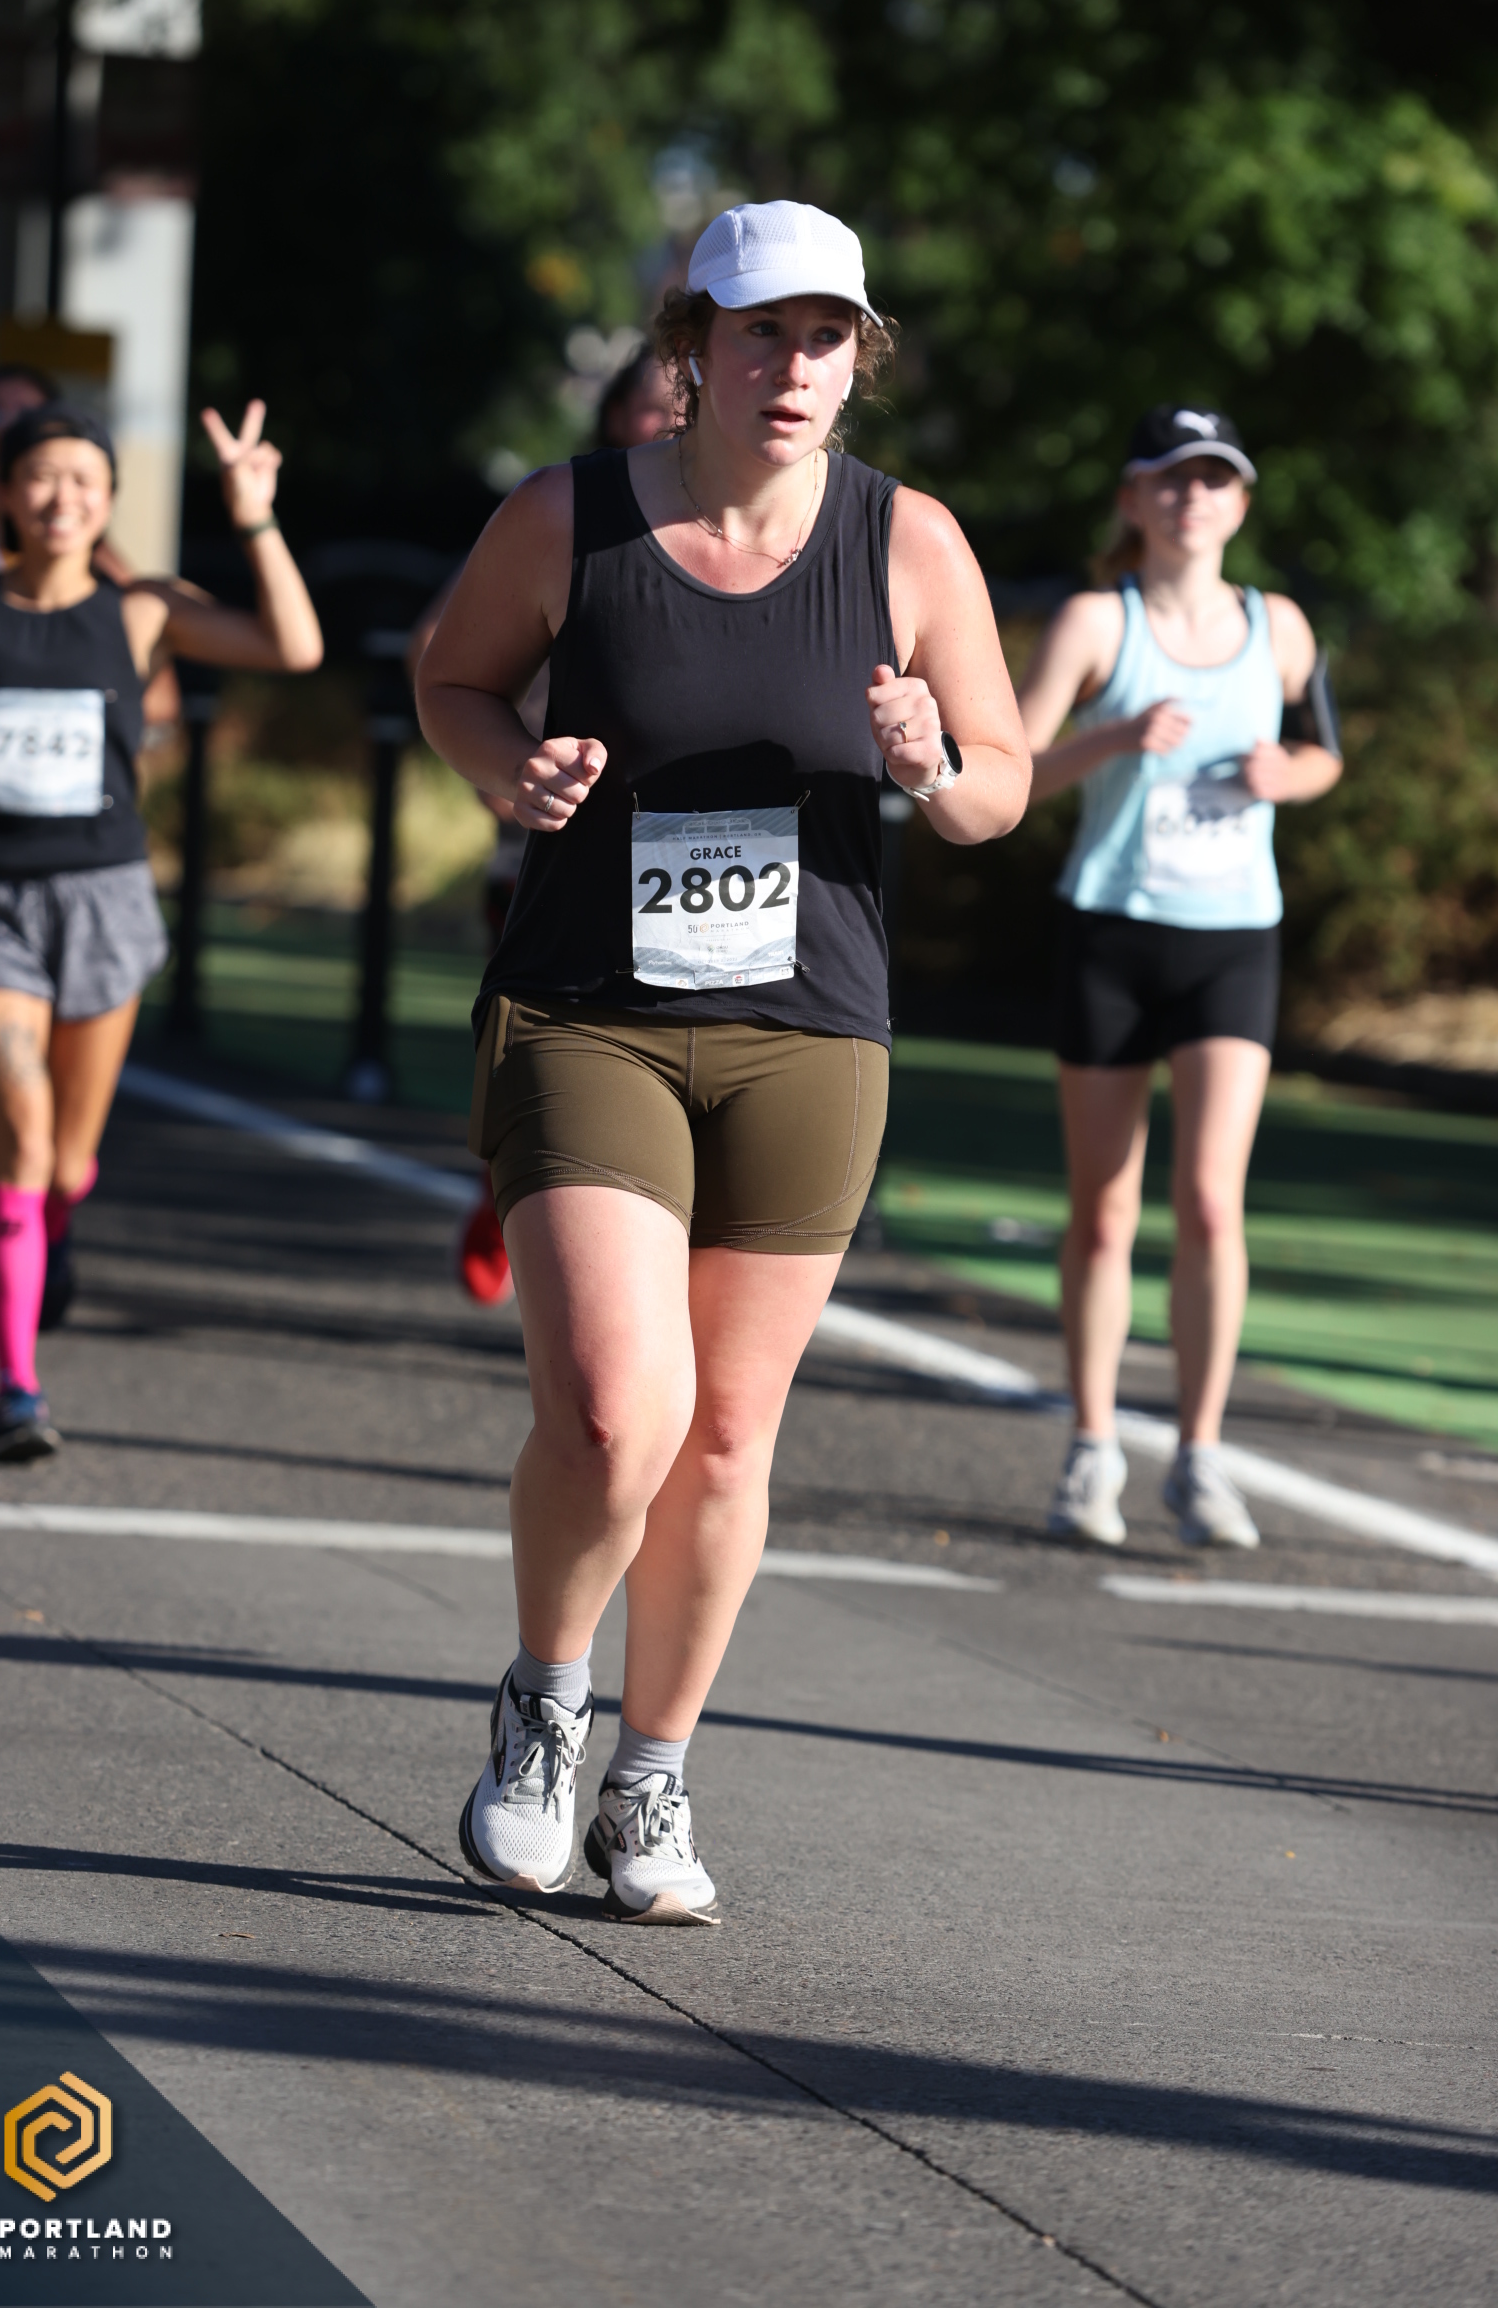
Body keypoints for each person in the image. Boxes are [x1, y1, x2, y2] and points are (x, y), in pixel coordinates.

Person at [417, 199, 1029, 1922]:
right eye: (762, 332)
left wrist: (932, 759)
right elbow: (453, 682)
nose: (794, 366)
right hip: (589, 1012)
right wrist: (509, 770)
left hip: (808, 1031)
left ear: (859, 360)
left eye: (826, 337)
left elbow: (1000, 788)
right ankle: (546, 1703)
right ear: (692, 349)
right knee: (621, 1410)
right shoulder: (572, 518)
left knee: (730, 1435)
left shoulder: (911, 542)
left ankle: (653, 1776)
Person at [0, 397, 322, 1459]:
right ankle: (17, 1390)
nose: (63, 497)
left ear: (108, 501)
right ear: (5, 493)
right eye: (42, 477)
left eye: (85, 480)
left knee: (67, 1162)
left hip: (105, 902)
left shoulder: (141, 610)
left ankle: (49, 1222)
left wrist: (254, 514)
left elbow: (294, 645)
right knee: (23, 1134)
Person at [1016, 405, 1342, 1552]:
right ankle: (1092, 1448)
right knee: (1104, 1209)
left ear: (1239, 504)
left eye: (1213, 479)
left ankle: (1199, 1456)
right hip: (1109, 933)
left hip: (1231, 939)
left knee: (1209, 1200)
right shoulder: (1095, 622)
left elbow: (1323, 751)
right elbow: (1007, 770)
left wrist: (1285, 774)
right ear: (1132, 499)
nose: (1190, 498)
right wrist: (1113, 739)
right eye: (1168, 477)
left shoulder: (1278, 626)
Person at [0, 363, 179, 1302]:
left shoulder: (102, 563)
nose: (14, 430)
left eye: (34, 417)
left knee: (58, 1117)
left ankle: (44, 1194)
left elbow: (155, 681)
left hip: (79, 846)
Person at [413, 343, 683, 1307]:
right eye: (650, 403)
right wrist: (505, 766)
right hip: (548, 847)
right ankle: (513, 1192)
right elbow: (436, 650)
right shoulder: (563, 515)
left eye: (682, 401)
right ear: (613, 416)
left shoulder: (736, 526)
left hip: (691, 863)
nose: (668, 418)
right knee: (540, 1051)